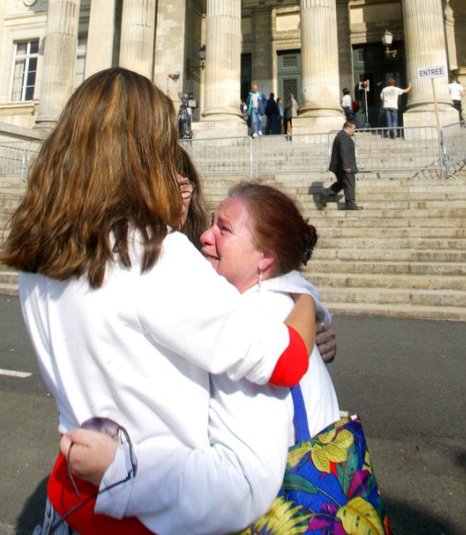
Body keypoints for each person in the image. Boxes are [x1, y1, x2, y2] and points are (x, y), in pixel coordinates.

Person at [2, 68, 316, 535]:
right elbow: (283, 360)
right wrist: (304, 298)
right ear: (144, 152)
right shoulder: (150, 253)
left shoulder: (38, 255)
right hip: (143, 512)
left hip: (68, 505)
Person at [58, 183, 342, 534]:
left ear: (265, 257)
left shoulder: (250, 329)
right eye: (211, 222)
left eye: (223, 228)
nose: (204, 236)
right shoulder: (287, 303)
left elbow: (241, 486)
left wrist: (120, 470)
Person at [323, 120, 362, 211]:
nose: (354, 131)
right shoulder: (344, 137)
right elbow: (344, 151)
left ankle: (327, 193)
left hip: (339, 166)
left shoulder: (341, 135)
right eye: (353, 129)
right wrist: (346, 166)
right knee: (349, 184)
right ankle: (350, 203)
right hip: (344, 166)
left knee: (342, 183)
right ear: (348, 128)